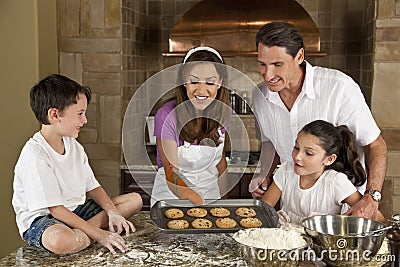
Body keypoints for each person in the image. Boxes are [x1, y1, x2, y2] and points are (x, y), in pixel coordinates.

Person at [250, 21, 387, 221]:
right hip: (294, 213)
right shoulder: (259, 96)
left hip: (343, 217)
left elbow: (375, 144)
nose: (268, 75)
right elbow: (269, 142)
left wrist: (372, 197)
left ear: (299, 56)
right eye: (262, 64)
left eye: (277, 65)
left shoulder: (339, 88)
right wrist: (264, 174)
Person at [12, 74, 143, 255]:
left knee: (134, 200)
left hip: (78, 210)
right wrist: (100, 235)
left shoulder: (73, 146)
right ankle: (84, 232)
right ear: (54, 114)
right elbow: (56, 209)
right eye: (80, 114)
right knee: (61, 241)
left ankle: (80, 235)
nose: (85, 120)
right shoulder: (35, 156)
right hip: (45, 220)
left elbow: (93, 185)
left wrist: (112, 212)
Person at [260, 120, 385, 224]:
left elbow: (378, 218)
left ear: (329, 159)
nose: (297, 157)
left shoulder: (336, 182)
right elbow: (263, 210)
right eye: (296, 147)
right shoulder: (286, 171)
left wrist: (343, 223)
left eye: (308, 153)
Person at [150, 46, 231, 207]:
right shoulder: (167, 115)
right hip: (171, 200)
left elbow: (220, 162)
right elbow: (171, 171)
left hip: (211, 199)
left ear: (220, 83)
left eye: (210, 82)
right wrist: (197, 202)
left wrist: (225, 203)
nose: (201, 90)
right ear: (183, 81)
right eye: (194, 81)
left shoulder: (223, 111)